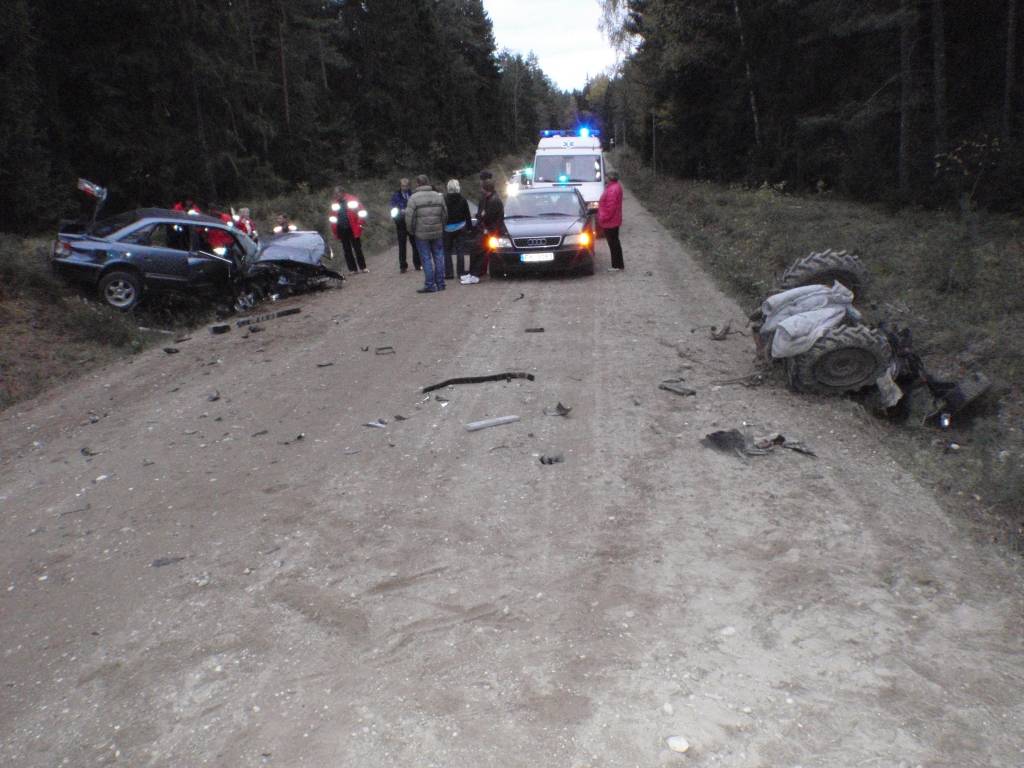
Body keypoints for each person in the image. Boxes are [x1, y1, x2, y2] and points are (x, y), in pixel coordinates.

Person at [405, 174, 447, 293]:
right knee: (439, 256)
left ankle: (430, 285)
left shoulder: (413, 198)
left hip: (421, 234)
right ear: (428, 182)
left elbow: (409, 218)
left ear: (418, 184)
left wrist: (411, 230)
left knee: (426, 258)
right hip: (437, 232)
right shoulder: (438, 196)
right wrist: (441, 226)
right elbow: (445, 214)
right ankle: (441, 283)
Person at [462, 177, 504, 285]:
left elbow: (487, 217)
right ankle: (473, 274)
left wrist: (480, 217)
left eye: (482, 188)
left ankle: (475, 275)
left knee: (478, 251)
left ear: (485, 189)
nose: (481, 190)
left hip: (490, 231)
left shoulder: (494, 200)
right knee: (477, 250)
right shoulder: (489, 199)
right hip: (487, 230)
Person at [330, 185, 368, 273]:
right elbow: (332, 217)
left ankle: (363, 267)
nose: (336, 195)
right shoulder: (335, 203)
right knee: (347, 250)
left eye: (337, 193)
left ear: (342, 192)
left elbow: (361, 211)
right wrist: (334, 230)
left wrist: (359, 224)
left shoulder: (352, 199)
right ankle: (352, 269)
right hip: (341, 229)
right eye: (335, 194)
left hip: (353, 227)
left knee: (357, 248)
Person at [442, 179, 472, 279]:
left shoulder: (444, 200)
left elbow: (442, 214)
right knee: (460, 250)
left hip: (447, 229)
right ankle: (461, 272)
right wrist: (470, 228)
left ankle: (449, 273)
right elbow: (467, 215)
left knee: (447, 251)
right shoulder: (463, 200)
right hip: (460, 227)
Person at [389, 178, 420, 273]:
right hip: (401, 223)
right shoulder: (395, 196)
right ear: (400, 186)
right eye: (403, 185)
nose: (404, 187)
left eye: (406, 186)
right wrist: (398, 216)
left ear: (409, 186)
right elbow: (392, 209)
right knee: (402, 246)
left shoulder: (413, 195)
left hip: (411, 222)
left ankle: (418, 264)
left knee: (415, 245)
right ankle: (403, 266)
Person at [597, 169, 624, 271]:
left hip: (610, 221)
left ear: (610, 178)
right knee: (615, 242)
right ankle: (618, 264)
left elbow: (610, 207)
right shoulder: (614, 187)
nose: (605, 179)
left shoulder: (612, 189)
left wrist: (603, 218)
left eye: (606, 177)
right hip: (613, 220)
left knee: (613, 243)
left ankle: (616, 265)